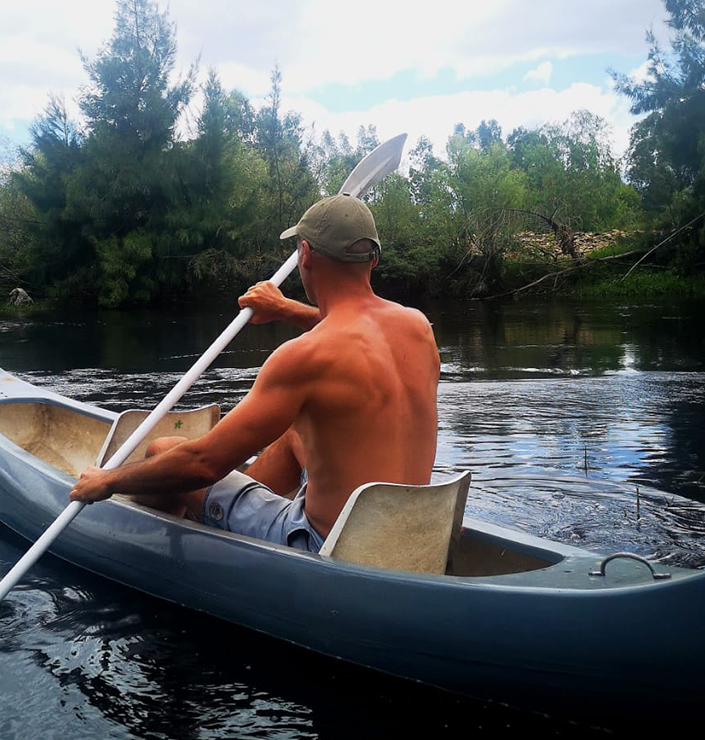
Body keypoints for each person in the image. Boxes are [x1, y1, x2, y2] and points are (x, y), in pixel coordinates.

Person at [70, 194, 440, 552]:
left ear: (305, 255)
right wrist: (286, 310)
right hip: (411, 536)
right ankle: (224, 514)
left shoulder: (304, 357)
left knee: (163, 450)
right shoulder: (418, 328)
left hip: (323, 545)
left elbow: (203, 464)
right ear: (372, 260)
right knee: (296, 433)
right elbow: (356, 336)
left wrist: (108, 480)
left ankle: (154, 548)